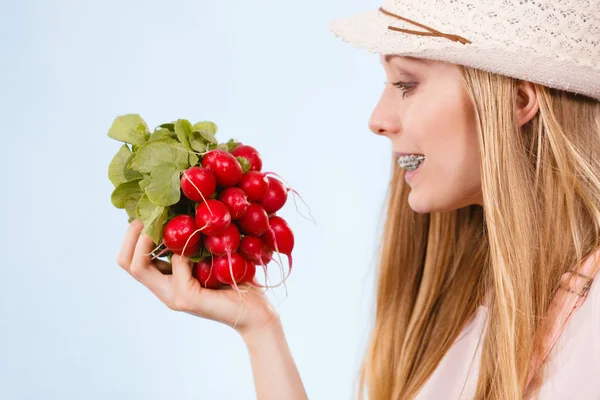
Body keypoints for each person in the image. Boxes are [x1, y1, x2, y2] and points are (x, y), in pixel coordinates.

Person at [116, 0, 600, 399]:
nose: (378, 118)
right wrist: (258, 329)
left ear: (518, 102)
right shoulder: (474, 313)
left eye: (406, 84)